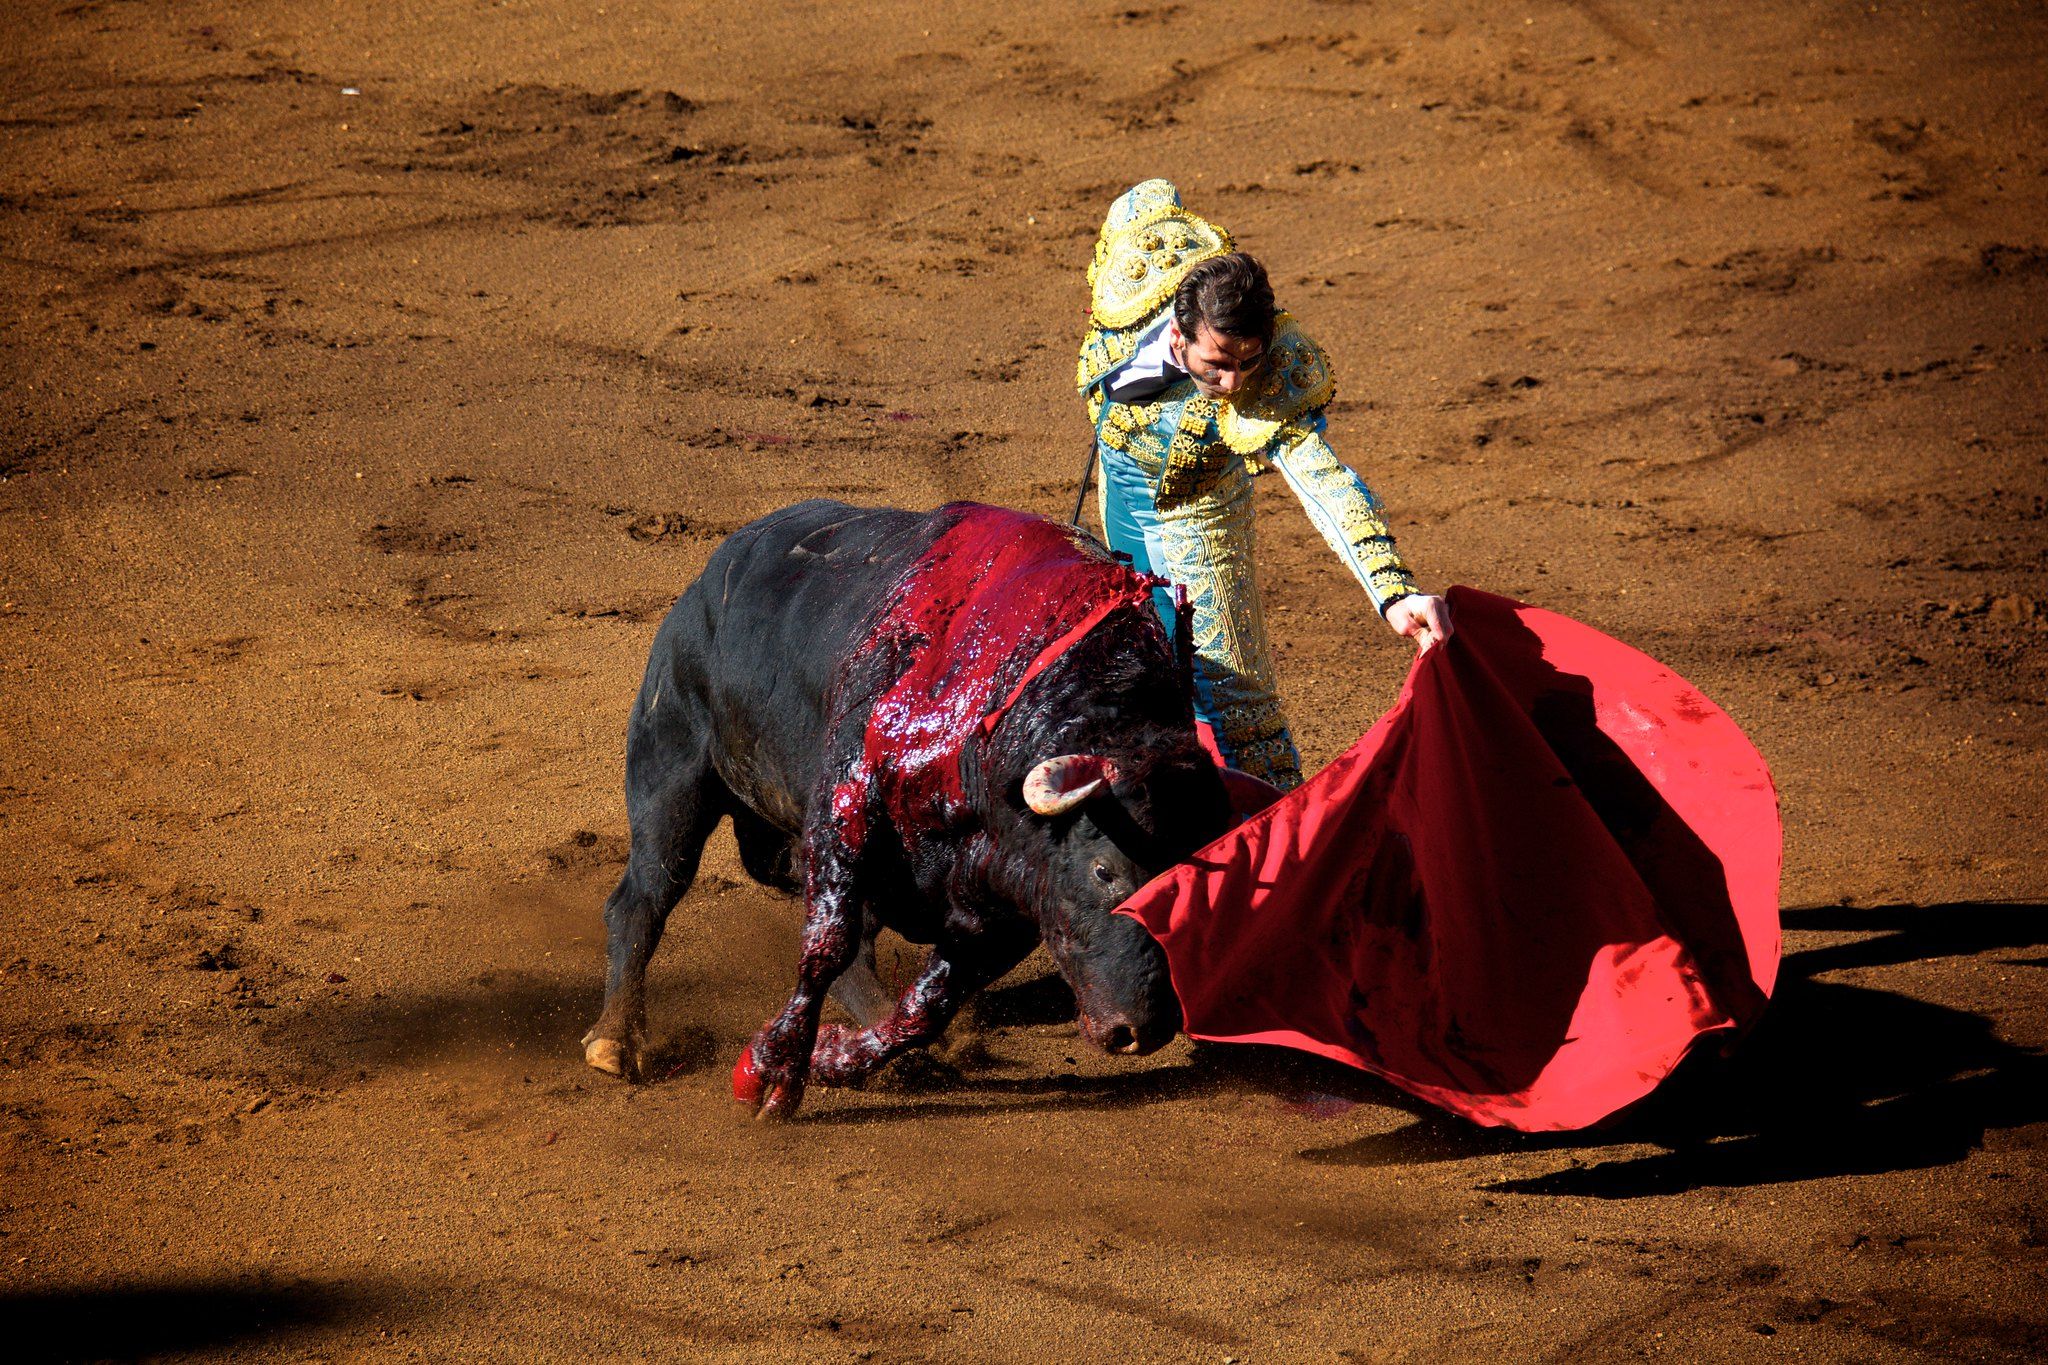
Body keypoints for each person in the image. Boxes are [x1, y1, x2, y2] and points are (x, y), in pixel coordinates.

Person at [1076, 178, 1454, 790]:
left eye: (1247, 361)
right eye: (1217, 364)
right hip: (1119, 484)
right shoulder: (1140, 262)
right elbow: (1143, 198)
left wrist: (1393, 590)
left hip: (1197, 516)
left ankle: (1277, 841)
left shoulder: (1270, 375)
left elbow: (1324, 482)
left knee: (1232, 698)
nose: (1233, 384)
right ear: (1178, 334)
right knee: (1134, 655)